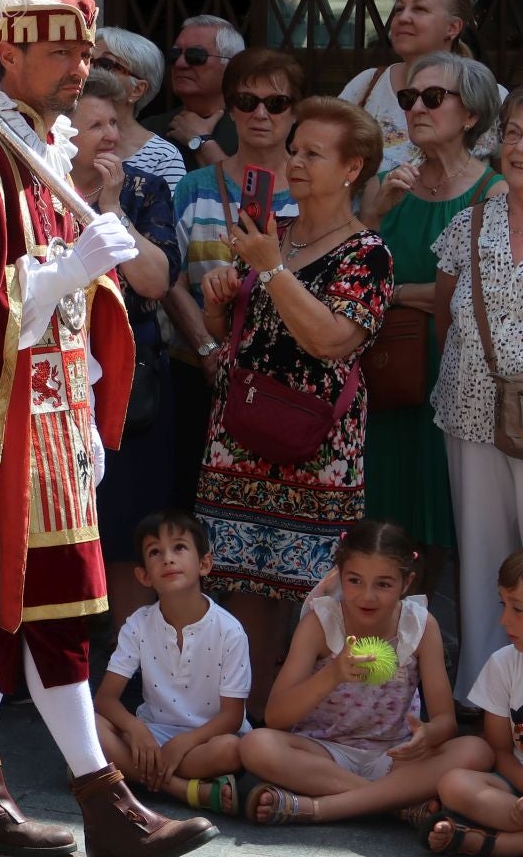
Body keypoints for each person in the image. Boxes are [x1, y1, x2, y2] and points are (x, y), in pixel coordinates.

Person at [0, 0, 214, 857]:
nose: (79, 71)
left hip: (48, 414)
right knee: (47, 608)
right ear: (8, 56)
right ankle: (102, 799)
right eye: (58, 55)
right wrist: (68, 271)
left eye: (84, 55)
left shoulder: (39, 154)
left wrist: (88, 397)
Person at [193, 97, 392, 718]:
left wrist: (271, 269)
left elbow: (331, 340)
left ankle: (305, 722)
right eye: (295, 149)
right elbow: (238, 329)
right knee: (242, 586)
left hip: (317, 448)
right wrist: (217, 299)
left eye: (313, 153)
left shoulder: (368, 254)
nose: (296, 162)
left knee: (314, 592)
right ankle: (241, 720)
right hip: (240, 435)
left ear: (351, 168)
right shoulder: (269, 235)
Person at [239, 519, 492, 825]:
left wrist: (429, 734)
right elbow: (276, 716)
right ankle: (393, 802)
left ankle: (319, 807)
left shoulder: (421, 626)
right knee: (256, 745)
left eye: (383, 584)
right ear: (340, 575)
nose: (367, 596)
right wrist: (333, 674)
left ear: (406, 583)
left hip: (394, 757)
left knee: (476, 749)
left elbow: (445, 721)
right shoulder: (321, 623)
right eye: (355, 581)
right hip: (324, 754)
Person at [358, 53, 503, 566]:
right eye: (408, 98)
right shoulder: (390, 184)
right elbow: (353, 273)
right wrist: (372, 215)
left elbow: (475, 296)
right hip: (387, 370)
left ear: (470, 115)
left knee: (451, 518)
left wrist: (395, 292)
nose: (416, 107)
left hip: (454, 372)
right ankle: (386, 641)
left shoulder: (495, 193)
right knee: (386, 516)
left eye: (433, 97)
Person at [164, 47, 304, 513]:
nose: (260, 114)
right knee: (192, 504)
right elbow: (170, 280)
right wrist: (207, 347)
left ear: (295, 111)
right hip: (197, 375)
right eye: (246, 102)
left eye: (276, 103)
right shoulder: (194, 186)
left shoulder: (315, 189)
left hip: (288, 381)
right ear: (231, 109)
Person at [70, 68, 177, 616]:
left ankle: (126, 668)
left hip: (130, 384)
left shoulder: (143, 189)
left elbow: (156, 282)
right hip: (56, 381)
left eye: (114, 122)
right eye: (95, 125)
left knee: (129, 531)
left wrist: (111, 210)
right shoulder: (35, 187)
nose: (110, 134)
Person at [431, 89, 523, 704]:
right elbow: (446, 320)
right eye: (514, 132)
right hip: (473, 410)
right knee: (484, 556)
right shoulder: (468, 222)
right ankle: (486, 700)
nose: (520, 148)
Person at [94, 511, 249, 816]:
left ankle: (119, 774)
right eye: (155, 552)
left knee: (234, 751)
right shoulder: (138, 624)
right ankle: (186, 791)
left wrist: (184, 743)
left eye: (179, 548)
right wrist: (136, 730)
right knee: (87, 726)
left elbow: (232, 716)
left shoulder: (229, 631)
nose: (167, 559)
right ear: (143, 576)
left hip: (208, 740)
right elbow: (105, 699)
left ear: (204, 564)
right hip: (152, 735)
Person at [342, 0, 505, 169]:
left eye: (420, 9)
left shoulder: (488, 95)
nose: (403, 17)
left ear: (452, 27)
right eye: (399, 9)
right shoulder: (367, 84)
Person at [427, 550, 523, 855]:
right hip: (515, 789)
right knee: (454, 785)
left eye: (518, 608)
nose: (504, 619)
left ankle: (491, 844)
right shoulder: (503, 664)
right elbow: (500, 750)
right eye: (503, 604)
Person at [142, 15, 243, 172]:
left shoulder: (252, 127)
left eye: (196, 56)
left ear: (232, 65)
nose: (180, 64)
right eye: (175, 54)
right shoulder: (149, 130)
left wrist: (200, 141)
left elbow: (246, 194)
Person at [93, 27, 185, 190]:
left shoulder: (162, 156)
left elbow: (165, 216)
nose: (89, 71)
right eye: (87, 60)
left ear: (137, 90)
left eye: (104, 64)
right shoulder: (62, 135)